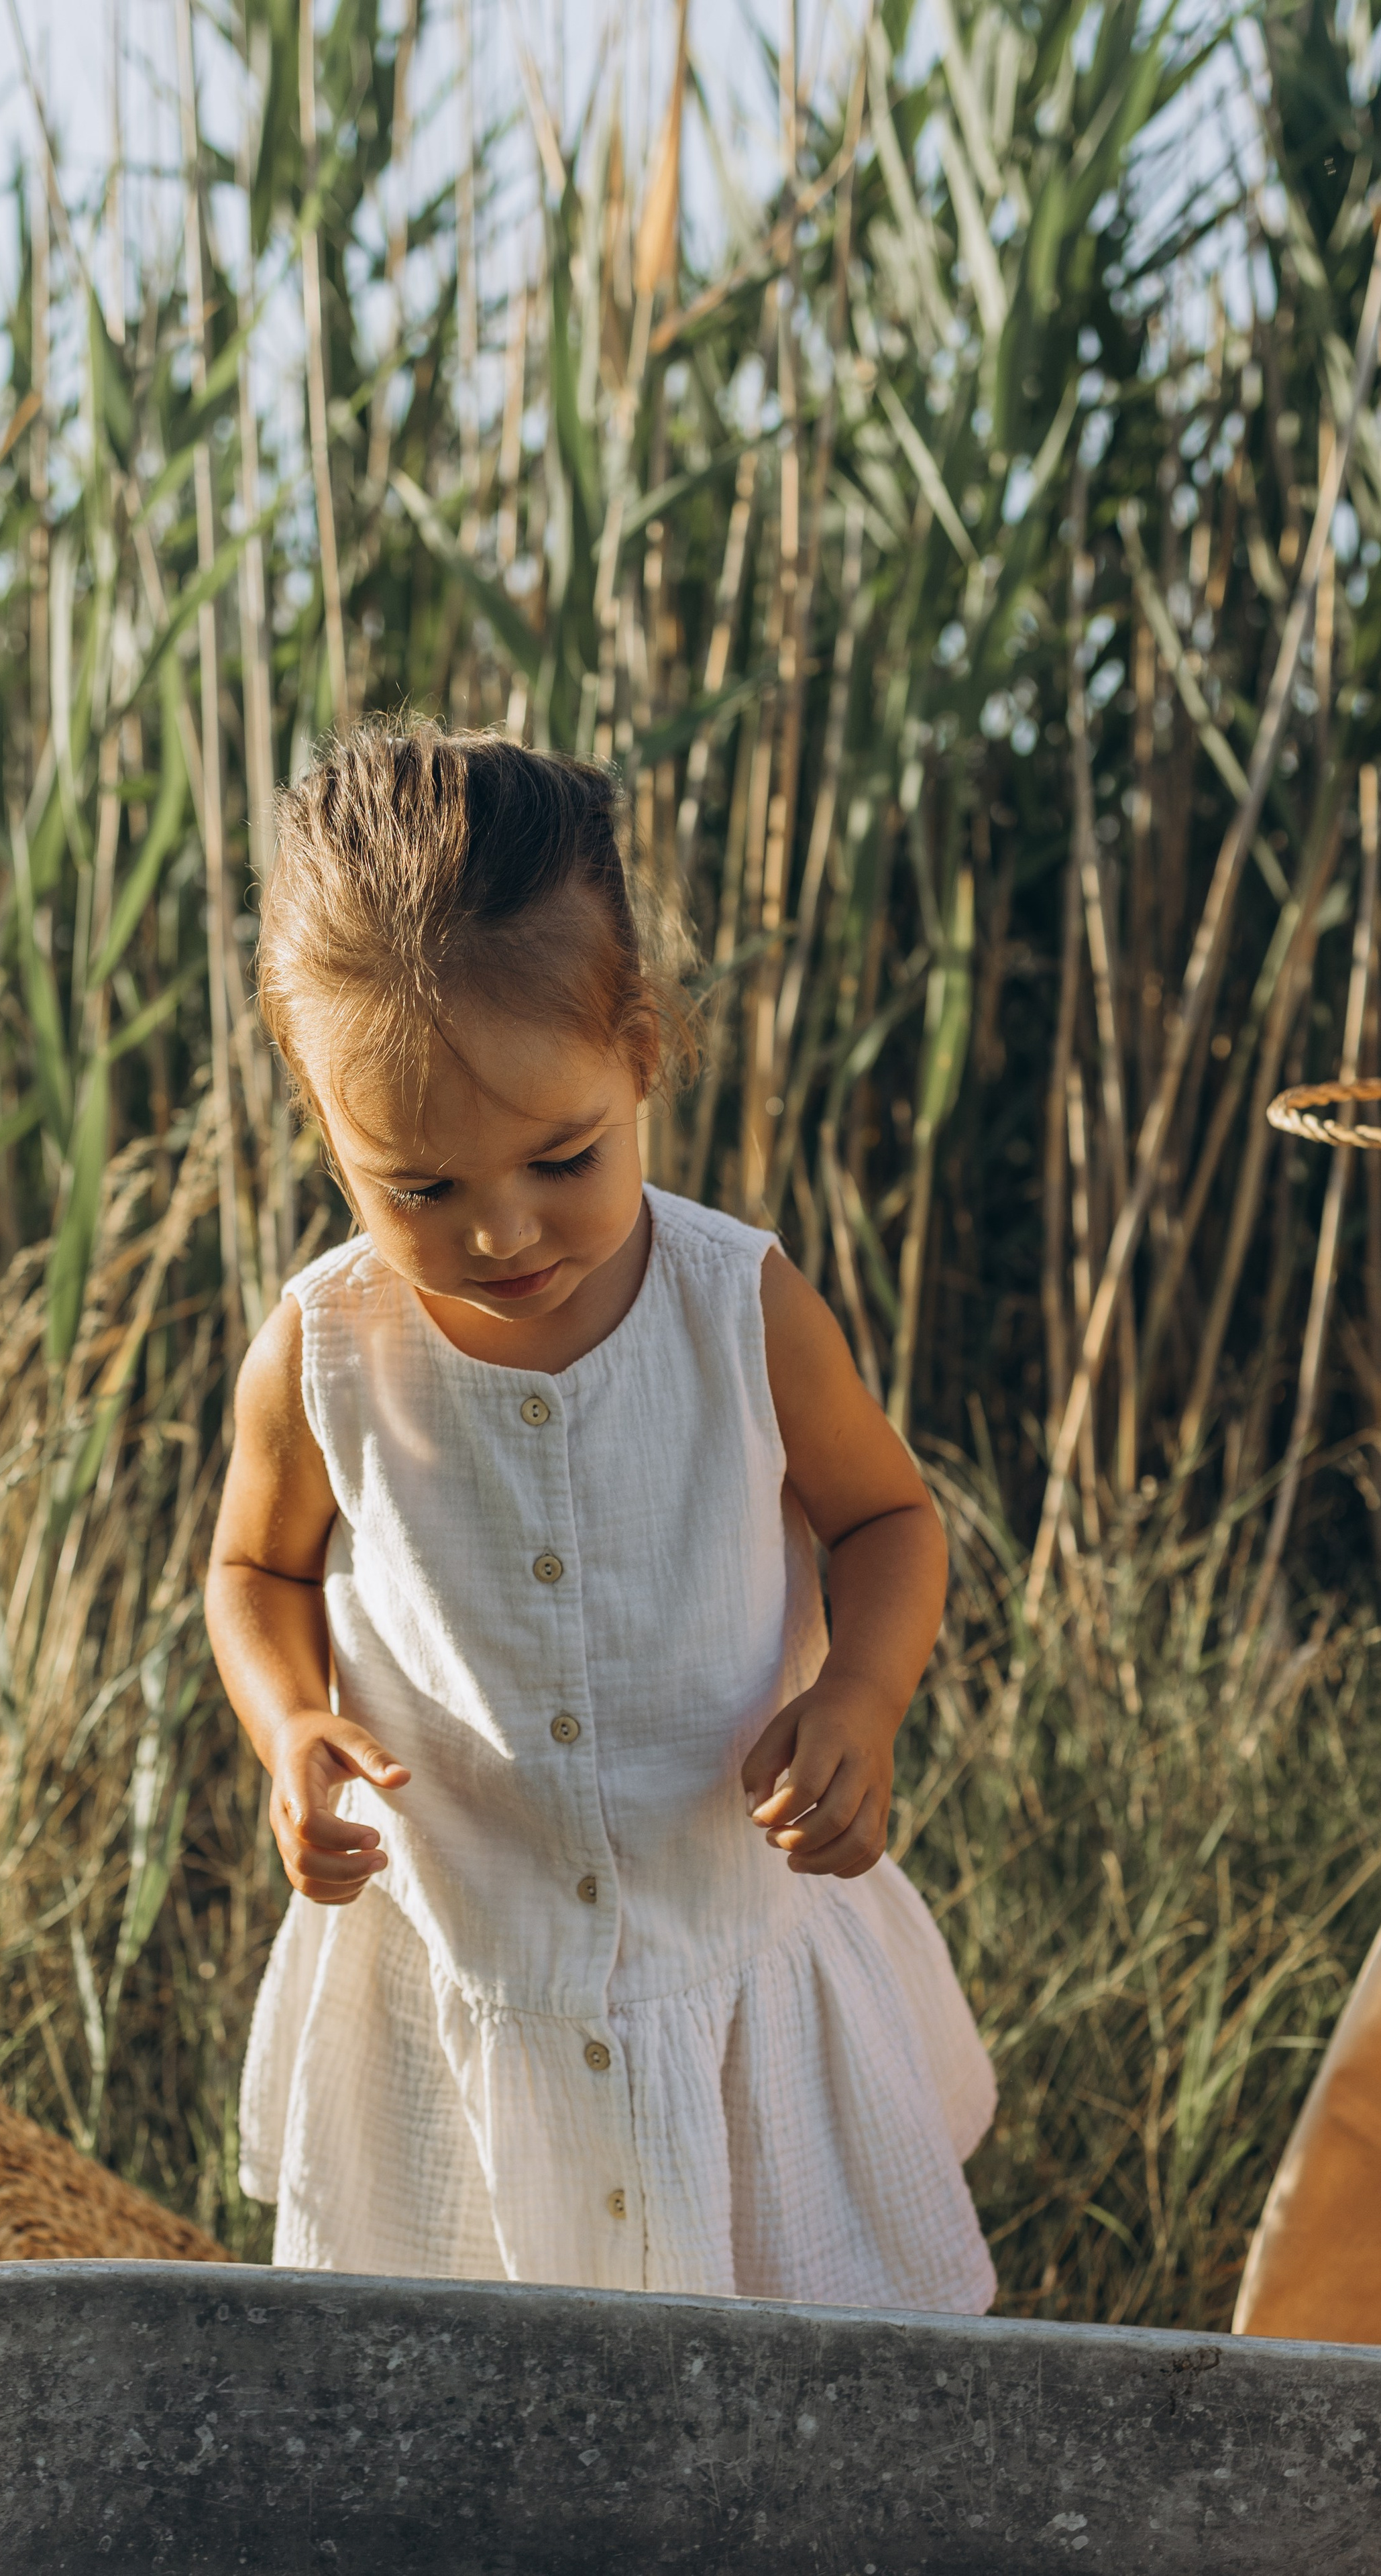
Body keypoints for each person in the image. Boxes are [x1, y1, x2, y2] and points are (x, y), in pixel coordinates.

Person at [207, 722, 995, 2310]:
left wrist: (861, 1692)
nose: (500, 1229)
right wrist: (291, 1724)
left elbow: (888, 1521)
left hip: (721, 1930)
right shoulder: (325, 1346)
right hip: (468, 1950)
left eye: (561, 1158)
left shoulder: (738, 1307)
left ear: (640, 1046)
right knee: (465, 2382)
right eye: (416, 1190)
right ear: (323, 1121)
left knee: (793, 2364)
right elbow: (252, 1564)